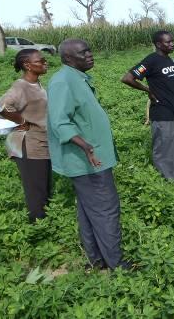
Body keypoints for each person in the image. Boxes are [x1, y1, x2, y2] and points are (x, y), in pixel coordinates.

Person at [47, 39, 129, 270]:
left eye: (90, 50)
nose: (90, 55)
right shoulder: (63, 82)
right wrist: (87, 147)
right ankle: (117, 264)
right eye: (83, 53)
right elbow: (60, 122)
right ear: (68, 59)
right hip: (89, 160)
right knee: (106, 210)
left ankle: (97, 259)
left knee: (89, 210)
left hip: (90, 159)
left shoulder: (76, 78)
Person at [121, 30, 174, 181]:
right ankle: (166, 182)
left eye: (172, 41)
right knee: (164, 149)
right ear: (158, 44)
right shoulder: (150, 60)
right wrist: (148, 90)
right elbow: (127, 78)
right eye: (168, 42)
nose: (172, 44)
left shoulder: (169, 59)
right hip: (162, 111)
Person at [0, 49, 52, 223]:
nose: (45, 63)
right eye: (40, 61)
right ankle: (37, 228)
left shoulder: (37, 83)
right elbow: (2, 107)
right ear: (27, 65)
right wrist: (21, 120)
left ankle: (46, 222)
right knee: (37, 191)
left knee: (44, 187)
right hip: (28, 144)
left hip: (41, 142)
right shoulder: (21, 86)